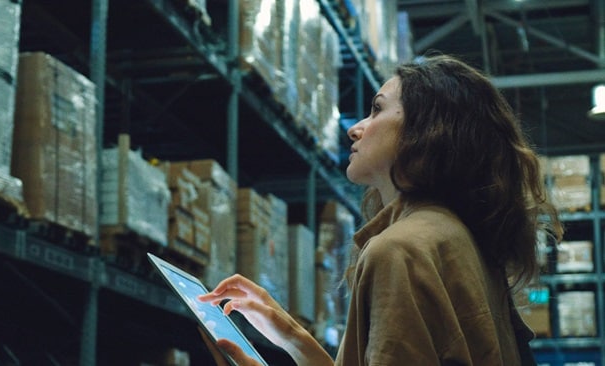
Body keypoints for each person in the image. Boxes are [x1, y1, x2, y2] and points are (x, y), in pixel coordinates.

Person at [197, 54, 563, 365]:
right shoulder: (455, 238)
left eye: (377, 110)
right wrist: (291, 336)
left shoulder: (400, 250)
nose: (355, 129)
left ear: (426, 129)